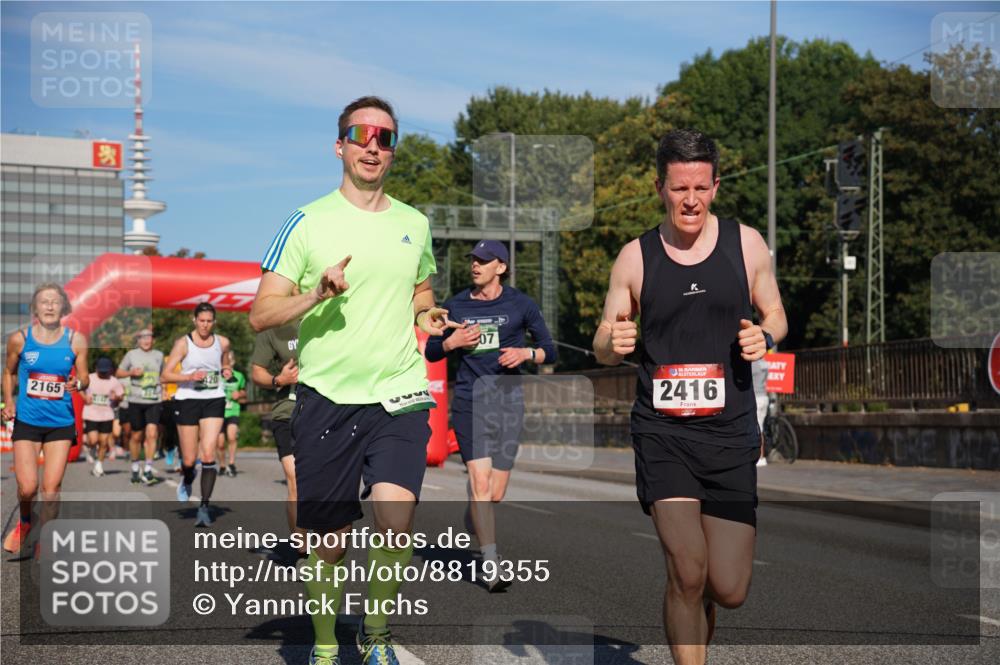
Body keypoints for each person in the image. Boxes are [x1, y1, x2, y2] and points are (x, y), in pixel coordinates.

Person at [249, 95, 454, 665]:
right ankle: (323, 646)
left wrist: (427, 316)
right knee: (329, 544)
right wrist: (316, 292)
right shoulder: (306, 221)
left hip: (399, 393)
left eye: (385, 138)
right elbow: (261, 314)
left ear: (392, 152)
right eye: (361, 135)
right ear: (339, 146)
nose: (373, 146)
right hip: (327, 399)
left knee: (396, 521)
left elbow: (420, 292)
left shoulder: (415, 223)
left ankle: (376, 634)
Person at [592, 129, 787, 665]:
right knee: (687, 569)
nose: (691, 200)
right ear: (660, 187)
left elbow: (775, 313)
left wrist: (765, 336)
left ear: (716, 186)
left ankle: (696, 610)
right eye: (679, 188)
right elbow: (604, 339)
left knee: (728, 588)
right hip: (664, 435)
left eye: (701, 187)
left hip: (730, 434)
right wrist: (613, 341)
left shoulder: (746, 244)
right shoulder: (635, 258)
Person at [424, 239, 556, 591]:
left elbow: (549, 349)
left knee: (493, 492)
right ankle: (491, 563)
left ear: (501, 267)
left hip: (508, 403)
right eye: (473, 259)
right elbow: (433, 351)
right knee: (480, 483)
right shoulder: (456, 306)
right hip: (471, 402)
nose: (475, 265)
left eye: (484, 260)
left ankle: (477, 508)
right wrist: (452, 343)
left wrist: (526, 354)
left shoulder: (521, 304)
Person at [2, 283, 89, 553]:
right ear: (35, 308)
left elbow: (84, 377)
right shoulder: (19, 339)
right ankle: (26, 521)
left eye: (55, 301)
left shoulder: (76, 340)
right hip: (28, 421)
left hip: (60, 423)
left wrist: (78, 383)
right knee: (28, 488)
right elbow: (9, 372)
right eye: (44, 301)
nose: (50, 306)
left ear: (63, 308)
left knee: (51, 488)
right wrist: (9, 401)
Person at [161, 302, 233, 527]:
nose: (205, 325)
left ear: (214, 322)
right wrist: (189, 377)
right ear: (194, 320)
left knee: (209, 453)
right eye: (201, 321)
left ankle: (204, 507)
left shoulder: (223, 342)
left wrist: (226, 370)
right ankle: (187, 477)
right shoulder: (183, 344)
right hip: (188, 400)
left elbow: (224, 363)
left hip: (214, 399)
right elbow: (165, 376)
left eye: (209, 321)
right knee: (190, 460)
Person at [250, 315, 303, 557]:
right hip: (288, 412)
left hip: (327, 411)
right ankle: (303, 551)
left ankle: (326, 547)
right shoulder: (273, 325)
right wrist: (278, 379)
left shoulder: (328, 312)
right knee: (295, 480)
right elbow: (257, 371)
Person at [117, 329, 165, 484]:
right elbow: (118, 372)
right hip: (136, 400)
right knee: (136, 436)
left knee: (152, 433)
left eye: (149, 338)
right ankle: (135, 466)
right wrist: (131, 372)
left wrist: (164, 391)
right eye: (143, 338)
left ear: (153, 340)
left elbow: (163, 375)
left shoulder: (159, 355)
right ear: (138, 340)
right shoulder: (131, 355)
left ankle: (149, 468)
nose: (146, 341)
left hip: (154, 399)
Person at [82, 357, 125, 477]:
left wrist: (116, 398)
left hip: (107, 415)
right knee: (93, 440)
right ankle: (90, 448)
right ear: (96, 369)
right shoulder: (89, 378)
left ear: (110, 370)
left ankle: (99, 465)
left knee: (104, 442)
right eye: (101, 371)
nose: (103, 373)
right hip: (91, 414)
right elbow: (78, 387)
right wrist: (84, 397)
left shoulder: (114, 381)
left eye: (105, 371)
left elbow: (121, 396)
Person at [218, 350, 246, 477]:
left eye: (229, 360)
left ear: (233, 362)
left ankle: (231, 463)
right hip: (218, 412)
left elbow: (244, 392)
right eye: (225, 360)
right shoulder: (216, 376)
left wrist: (239, 394)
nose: (227, 362)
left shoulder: (239, 376)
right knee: (220, 443)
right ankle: (222, 465)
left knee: (232, 437)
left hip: (233, 410)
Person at [751, 357, 769, 467]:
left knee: (757, 429)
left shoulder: (753, 364)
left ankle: (760, 457)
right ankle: (761, 456)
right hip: (764, 396)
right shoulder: (765, 363)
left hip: (756, 396)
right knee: (760, 427)